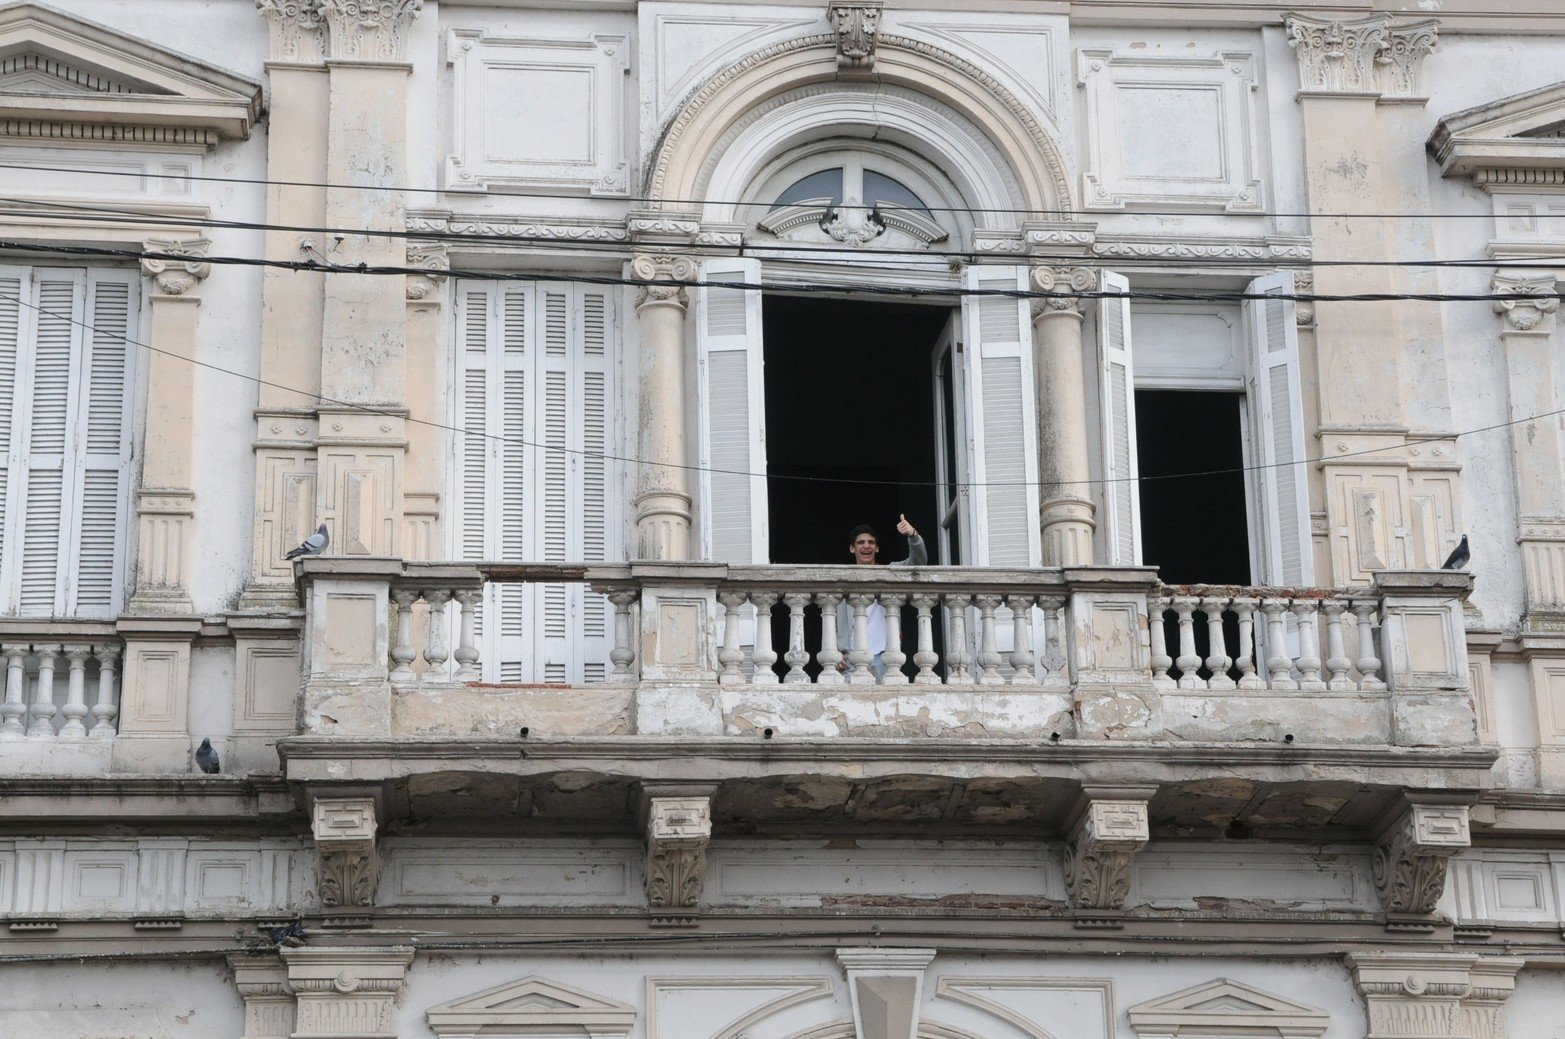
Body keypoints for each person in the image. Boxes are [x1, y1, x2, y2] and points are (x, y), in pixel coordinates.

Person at [837, 515, 927, 679]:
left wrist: (913, 536)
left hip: (884, 658)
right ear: (852, 548)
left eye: (871, 543)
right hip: (850, 659)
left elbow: (918, 563)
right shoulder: (843, 580)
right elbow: (832, 621)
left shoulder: (890, 571)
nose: (866, 546)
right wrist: (834, 652)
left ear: (877, 548)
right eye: (861, 543)